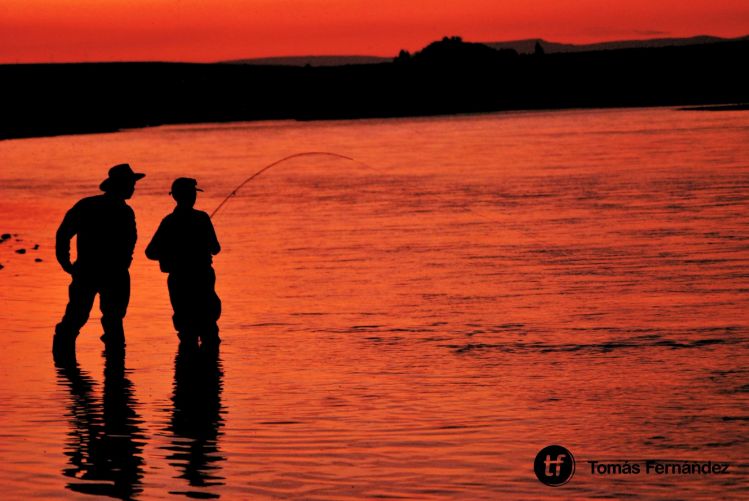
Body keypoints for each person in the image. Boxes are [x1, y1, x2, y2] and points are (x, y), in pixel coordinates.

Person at [53, 163, 145, 356]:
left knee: (79, 317)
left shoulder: (88, 205)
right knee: (110, 320)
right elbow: (130, 241)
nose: (133, 188)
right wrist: (66, 262)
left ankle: (65, 367)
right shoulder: (123, 212)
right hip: (108, 273)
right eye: (130, 184)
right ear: (120, 185)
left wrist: (66, 262)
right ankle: (114, 370)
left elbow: (63, 234)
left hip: (93, 272)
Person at [146, 178, 222, 347]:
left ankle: (186, 368)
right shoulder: (202, 218)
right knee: (209, 326)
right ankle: (211, 368)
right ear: (192, 196)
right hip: (202, 276)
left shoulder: (168, 222)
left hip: (178, 280)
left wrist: (170, 256)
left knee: (186, 329)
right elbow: (216, 249)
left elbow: (150, 252)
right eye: (194, 193)